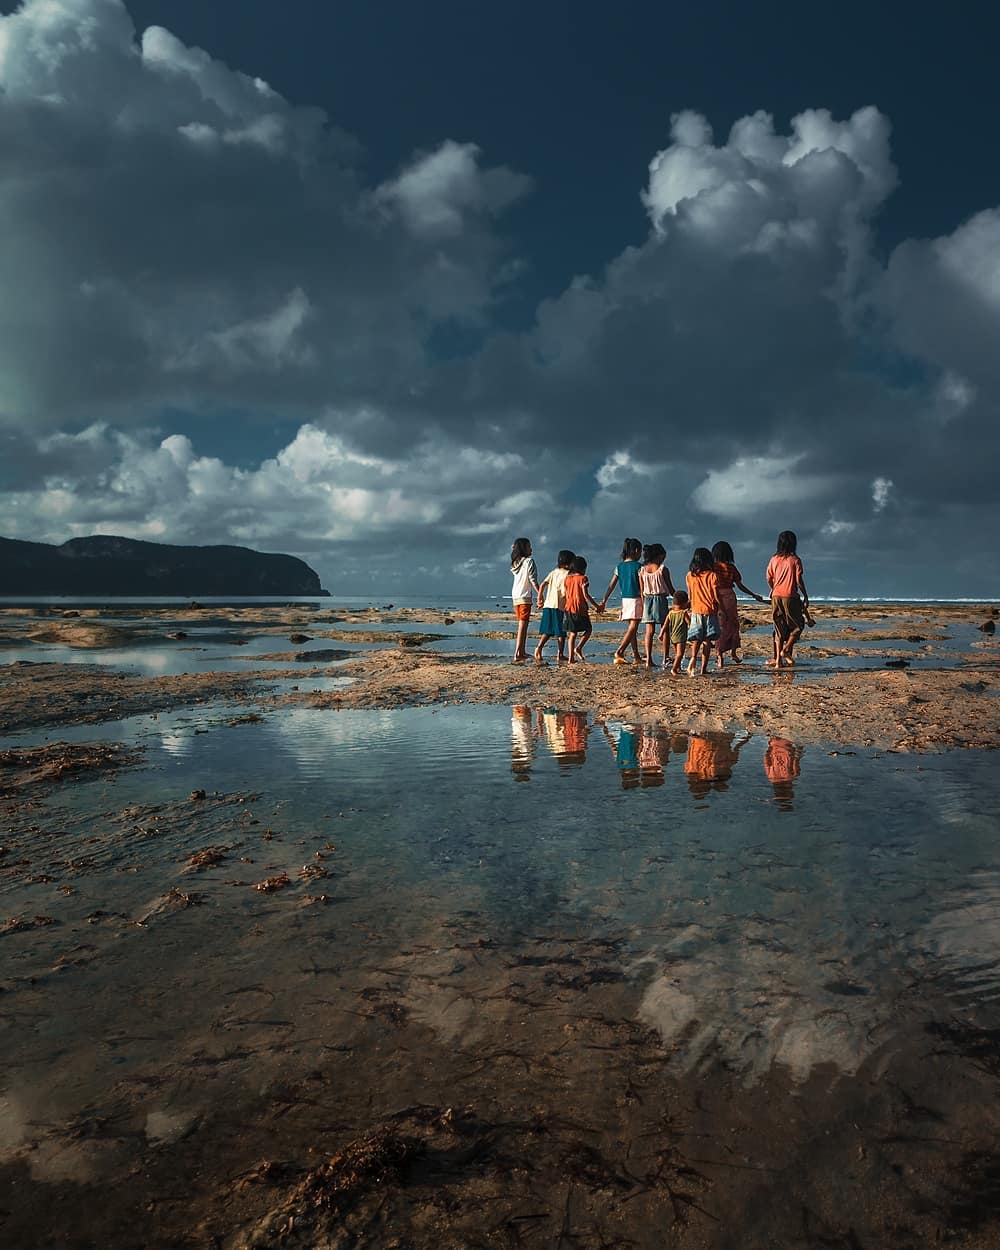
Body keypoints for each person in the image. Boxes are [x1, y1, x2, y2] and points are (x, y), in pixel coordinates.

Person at [711, 540, 766, 669]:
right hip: (730, 596)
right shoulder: (731, 568)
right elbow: (741, 586)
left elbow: (710, 585)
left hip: (718, 597)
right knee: (733, 624)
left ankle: (719, 656)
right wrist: (753, 595)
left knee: (721, 626)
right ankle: (734, 653)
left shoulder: (713, 567)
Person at [766, 531, 814, 667]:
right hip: (790, 596)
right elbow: (798, 580)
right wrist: (805, 594)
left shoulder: (774, 559)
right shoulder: (795, 560)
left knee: (779, 628)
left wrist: (773, 588)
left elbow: (769, 577)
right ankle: (786, 650)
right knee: (798, 626)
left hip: (776, 595)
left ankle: (778, 663)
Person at [599, 538, 643, 664]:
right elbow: (643, 585)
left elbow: (611, 585)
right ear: (636, 551)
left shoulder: (620, 566)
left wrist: (604, 600)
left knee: (632, 628)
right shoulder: (639, 567)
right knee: (634, 627)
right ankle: (620, 650)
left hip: (625, 599)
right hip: (636, 598)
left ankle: (636, 656)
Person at [685, 548, 721, 676]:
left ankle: (693, 659)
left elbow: (690, 594)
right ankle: (703, 668)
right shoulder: (712, 576)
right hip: (710, 610)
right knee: (707, 640)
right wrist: (721, 608)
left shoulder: (690, 576)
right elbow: (716, 595)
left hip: (696, 610)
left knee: (696, 639)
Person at [638, 543, 675, 667]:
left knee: (649, 631)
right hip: (660, 599)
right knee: (665, 630)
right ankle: (665, 657)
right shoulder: (662, 569)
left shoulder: (642, 570)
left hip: (647, 600)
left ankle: (649, 659)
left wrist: (643, 605)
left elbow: (642, 590)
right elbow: (670, 589)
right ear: (659, 556)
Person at [535, 549, 574, 662]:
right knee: (561, 632)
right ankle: (560, 654)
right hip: (559, 606)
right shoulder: (568, 575)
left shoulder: (553, 572)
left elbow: (543, 585)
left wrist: (540, 598)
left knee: (548, 630)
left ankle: (539, 648)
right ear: (568, 563)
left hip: (548, 605)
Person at [563, 556, 602, 662]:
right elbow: (586, 595)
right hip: (579, 608)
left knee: (572, 633)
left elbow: (566, 594)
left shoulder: (567, 578)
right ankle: (579, 647)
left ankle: (571, 657)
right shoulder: (583, 579)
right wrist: (596, 606)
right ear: (582, 568)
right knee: (588, 629)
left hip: (568, 607)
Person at [510, 538, 539, 662]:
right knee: (523, 624)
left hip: (515, 595)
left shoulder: (516, 563)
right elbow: (533, 580)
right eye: (529, 547)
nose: (531, 549)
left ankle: (521, 651)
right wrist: (541, 595)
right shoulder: (529, 561)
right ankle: (518, 652)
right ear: (524, 549)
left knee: (522, 624)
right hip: (524, 596)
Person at [660, 589, 691, 674]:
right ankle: (674, 669)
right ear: (685, 603)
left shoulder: (670, 613)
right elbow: (690, 624)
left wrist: (661, 634)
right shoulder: (683, 613)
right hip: (681, 637)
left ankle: (679, 667)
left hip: (673, 637)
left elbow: (665, 625)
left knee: (677, 653)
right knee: (680, 654)